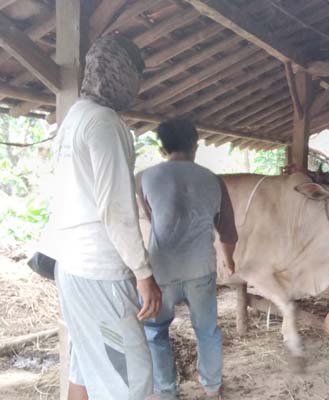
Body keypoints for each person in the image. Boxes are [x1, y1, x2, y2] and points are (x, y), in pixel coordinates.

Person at [47, 35, 161, 399]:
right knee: (131, 379)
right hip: (101, 273)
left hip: (72, 268)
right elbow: (116, 208)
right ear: (121, 76)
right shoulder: (105, 122)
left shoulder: (74, 118)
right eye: (134, 77)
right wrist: (143, 273)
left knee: (85, 363)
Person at [137, 119, 237, 400]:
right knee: (207, 331)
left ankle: (166, 391)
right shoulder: (212, 180)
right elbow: (227, 230)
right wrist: (228, 260)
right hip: (200, 268)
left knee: (156, 331)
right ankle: (212, 387)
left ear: (162, 148)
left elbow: (152, 217)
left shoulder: (145, 178)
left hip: (161, 271)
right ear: (195, 146)